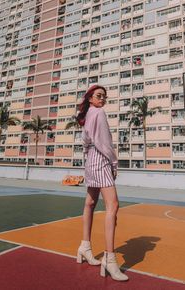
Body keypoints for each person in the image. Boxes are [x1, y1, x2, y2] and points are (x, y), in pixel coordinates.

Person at [76, 85, 128, 281]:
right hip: (101, 160)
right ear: (90, 98)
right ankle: (110, 259)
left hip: (91, 160)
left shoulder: (88, 114)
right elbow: (105, 142)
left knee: (89, 204)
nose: (102, 99)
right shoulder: (99, 113)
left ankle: (85, 247)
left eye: (104, 97)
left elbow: (85, 141)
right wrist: (114, 163)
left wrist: (87, 159)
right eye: (99, 96)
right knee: (113, 206)